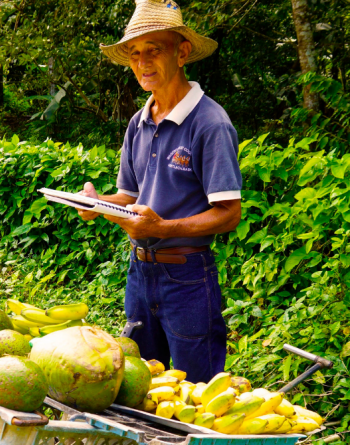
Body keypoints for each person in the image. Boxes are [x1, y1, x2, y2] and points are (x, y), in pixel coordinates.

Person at [79, 0, 242, 383]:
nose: (142, 62)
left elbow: (229, 213)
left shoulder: (210, 123)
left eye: (154, 49)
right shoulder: (139, 122)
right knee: (141, 383)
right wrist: (98, 204)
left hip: (187, 279)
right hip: (139, 273)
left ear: (182, 51)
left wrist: (163, 228)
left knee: (195, 390)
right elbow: (129, 198)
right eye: (135, 54)